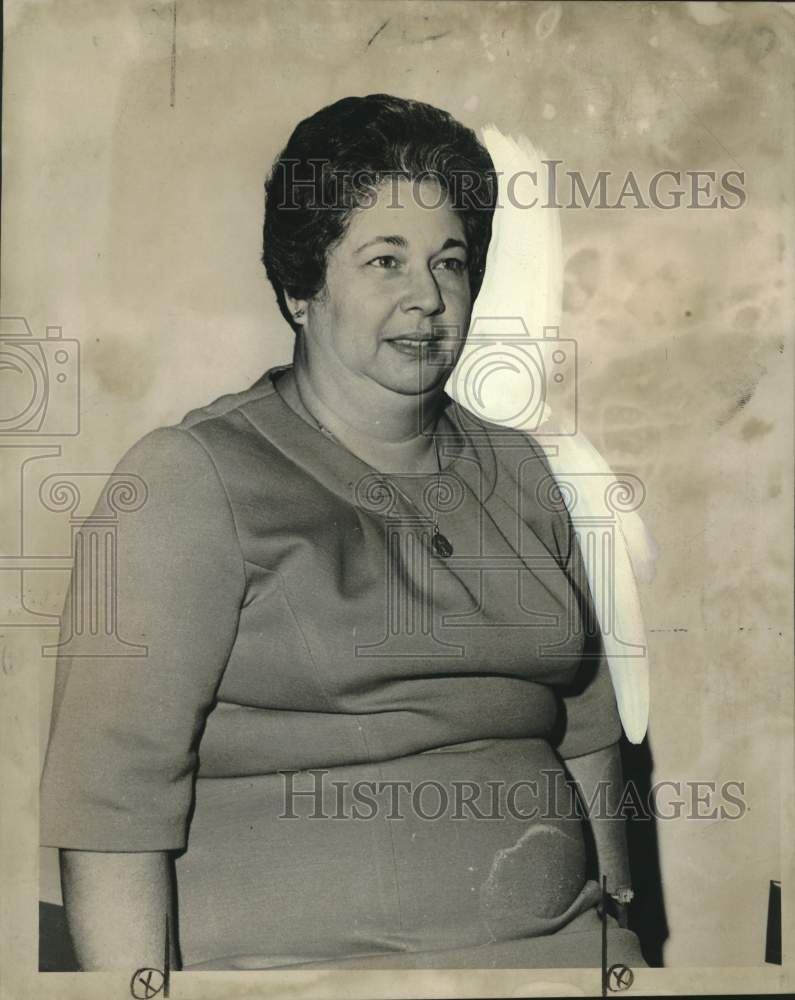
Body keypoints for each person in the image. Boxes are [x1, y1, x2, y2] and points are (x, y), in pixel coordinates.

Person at [40, 94, 644, 971]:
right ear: (300, 288)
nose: (427, 298)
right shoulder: (189, 480)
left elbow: (586, 735)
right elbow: (109, 806)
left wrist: (620, 943)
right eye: (384, 261)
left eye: (449, 262)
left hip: (555, 962)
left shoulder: (522, 470)